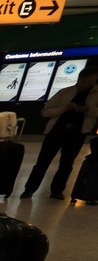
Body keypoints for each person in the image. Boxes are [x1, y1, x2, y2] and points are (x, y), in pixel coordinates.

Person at [21, 65, 98, 200]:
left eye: (91, 82)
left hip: (78, 133)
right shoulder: (65, 92)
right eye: (85, 81)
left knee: (67, 163)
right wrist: (66, 107)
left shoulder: (96, 95)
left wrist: (87, 109)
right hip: (56, 131)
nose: (88, 85)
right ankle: (30, 189)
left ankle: (57, 190)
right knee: (43, 161)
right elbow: (46, 111)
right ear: (79, 79)